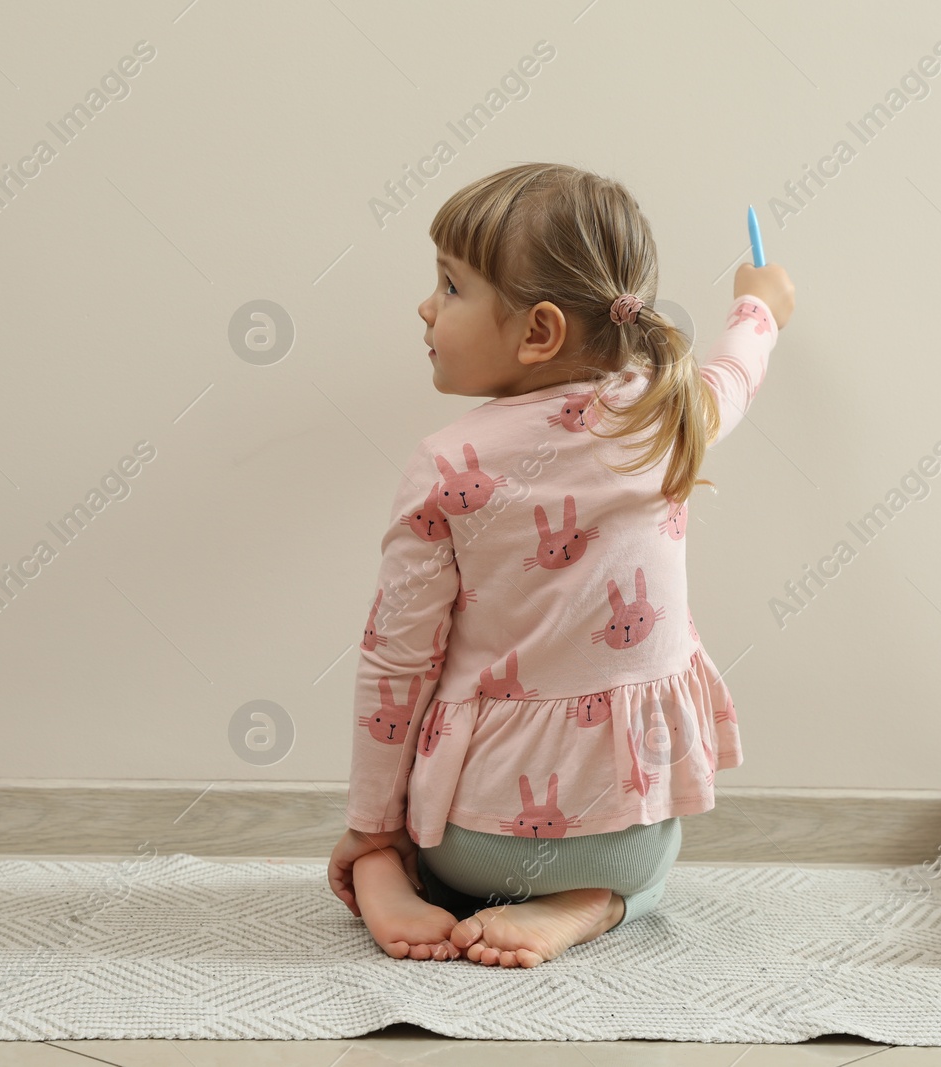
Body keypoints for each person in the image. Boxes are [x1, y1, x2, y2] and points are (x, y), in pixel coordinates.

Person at [327, 162, 795, 968]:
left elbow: (396, 662)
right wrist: (761, 305)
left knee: (426, 851)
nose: (425, 305)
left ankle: (388, 872)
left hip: (471, 842)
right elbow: (735, 374)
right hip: (624, 830)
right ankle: (598, 900)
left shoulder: (445, 465)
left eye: (449, 285)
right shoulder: (666, 418)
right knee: (656, 853)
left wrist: (373, 826)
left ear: (539, 331)